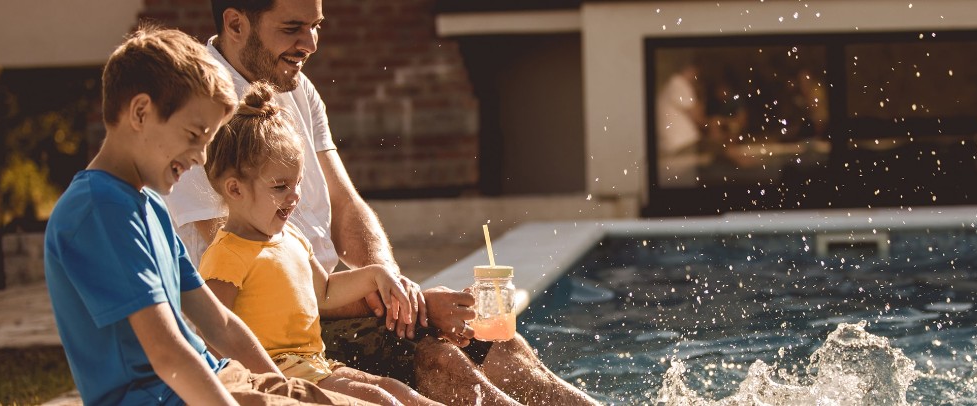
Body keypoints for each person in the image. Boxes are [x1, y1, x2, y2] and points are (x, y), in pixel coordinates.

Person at [164, 1, 598, 404]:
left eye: (315, 27)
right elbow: (263, 282)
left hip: (332, 299)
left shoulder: (295, 87)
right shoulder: (199, 114)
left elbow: (346, 205)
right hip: (281, 334)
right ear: (236, 24)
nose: (310, 44)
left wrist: (396, 289)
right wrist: (416, 307)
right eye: (293, 28)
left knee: (501, 344)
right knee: (441, 360)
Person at [43, 25, 362, 405]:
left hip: (220, 377)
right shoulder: (100, 209)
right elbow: (166, 354)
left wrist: (289, 391)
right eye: (195, 135)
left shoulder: (148, 205)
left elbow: (222, 325)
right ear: (141, 112)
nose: (201, 157)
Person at [198, 82, 432, 406]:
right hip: (279, 379)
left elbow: (324, 293)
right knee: (382, 400)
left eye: (297, 183)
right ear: (235, 190)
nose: (294, 196)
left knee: (396, 391)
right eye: (280, 186)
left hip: (316, 366)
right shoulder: (227, 255)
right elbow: (213, 331)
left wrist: (375, 273)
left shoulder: (291, 237)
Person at [655, 60, 707, 188]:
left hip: (677, 144)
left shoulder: (672, 85)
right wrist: (700, 93)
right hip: (683, 144)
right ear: (690, 70)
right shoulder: (679, 84)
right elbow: (698, 117)